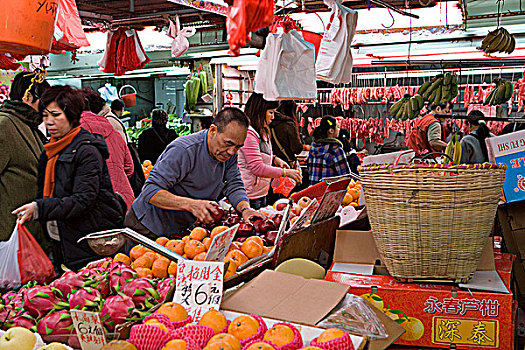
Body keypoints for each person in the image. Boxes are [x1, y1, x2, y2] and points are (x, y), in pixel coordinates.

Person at [13, 86, 126, 271]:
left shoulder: (87, 151)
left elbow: (83, 200)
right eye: (45, 115)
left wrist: (39, 208)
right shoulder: (50, 151)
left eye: (56, 115)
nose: (49, 122)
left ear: (72, 116)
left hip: (88, 241)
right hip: (62, 240)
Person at [126, 107, 263, 237]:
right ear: (213, 131)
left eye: (238, 147)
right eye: (228, 143)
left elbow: (234, 184)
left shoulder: (229, 155)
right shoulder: (184, 150)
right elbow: (150, 191)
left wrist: (245, 209)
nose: (232, 151)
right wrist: (191, 205)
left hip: (178, 230)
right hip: (146, 226)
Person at [0, 70, 50, 247]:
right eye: (44, 101)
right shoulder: (4, 125)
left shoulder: (29, 124)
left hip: (34, 233)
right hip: (12, 236)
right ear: (28, 96)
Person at [238, 93, 302, 209]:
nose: (273, 117)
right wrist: (285, 172)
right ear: (260, 111)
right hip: (248, 195)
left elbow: (258, 154)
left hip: (260, 192)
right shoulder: (248, 134)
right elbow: (256, 167)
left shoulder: (262, 131)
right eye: (271, 112)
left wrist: (275, 159)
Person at [79, 88, 135, 209]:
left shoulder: (72, 134)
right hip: (123, 202)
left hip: (93, 208)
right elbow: (129, 168)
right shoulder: (113, 130)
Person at [308, 116, 350, 185]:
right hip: (329, 193)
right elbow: (346, 177)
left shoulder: (313, 147)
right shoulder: (336, 150)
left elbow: (310, 170)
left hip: (313, 191)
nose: (339, 129)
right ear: (331, 130)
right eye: (338, 127)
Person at [269, 100, 303, 168]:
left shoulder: (270, 123)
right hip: (286, 164)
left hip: (272, 162)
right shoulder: (289, 124)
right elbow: (296, 149)